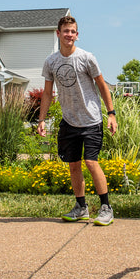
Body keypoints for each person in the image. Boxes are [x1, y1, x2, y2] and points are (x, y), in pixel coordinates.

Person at [37, 15, 118, 226]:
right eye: (65, 31)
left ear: (77, 35)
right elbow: (47, 93)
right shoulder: (51, 61)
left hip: (91, 120)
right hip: (69, 121)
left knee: (91, 162)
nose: (69, 35)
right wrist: (42, 119)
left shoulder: (87, 58)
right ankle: (81, 207)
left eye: (73, 31)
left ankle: (106, 208)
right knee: (74, 165)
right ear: (58, 33)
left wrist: (111, 113)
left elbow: (102, 86)